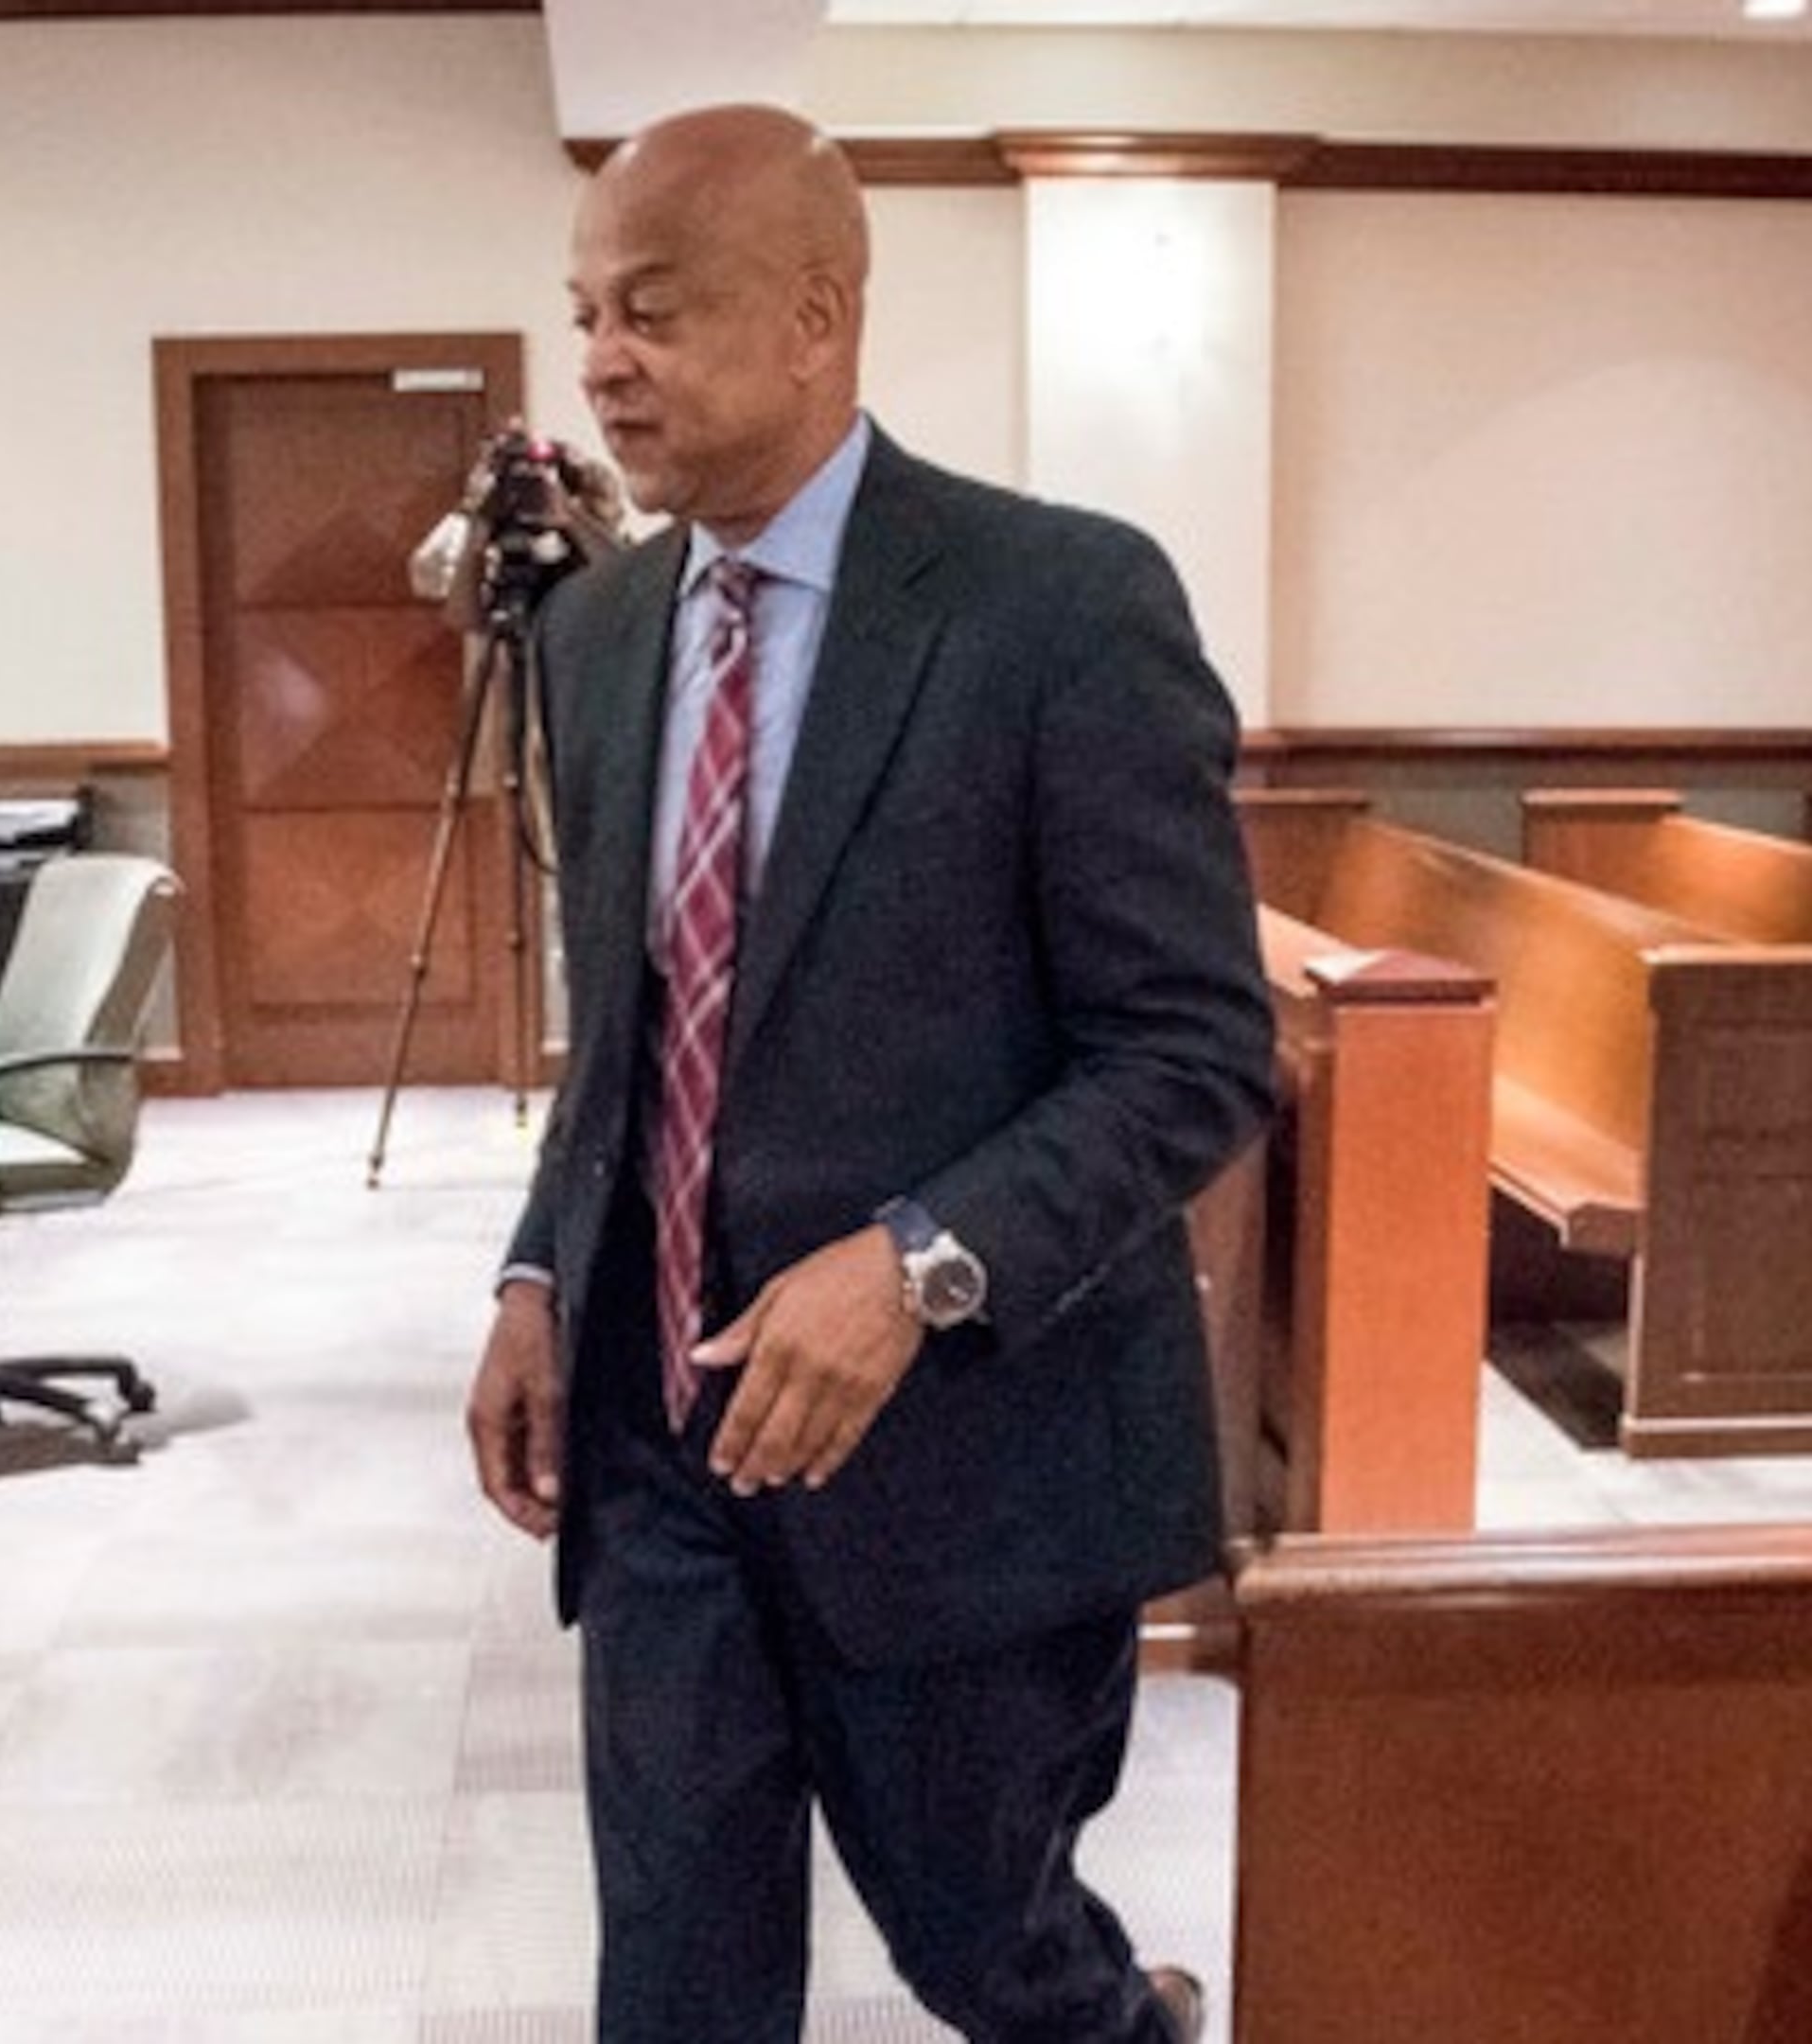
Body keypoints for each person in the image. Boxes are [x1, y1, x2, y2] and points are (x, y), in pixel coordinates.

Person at [463, 105, 1275, 2043]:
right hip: (664, 1457)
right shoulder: (594, 637)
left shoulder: (1059, 607)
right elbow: (637, 1032)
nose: (598, 365)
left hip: (963, 1471)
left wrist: (920, 1263)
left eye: (653, 311)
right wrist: (529, 1274)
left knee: (994, 1960)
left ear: (819, 319)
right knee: (673, 1990)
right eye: (585, 313)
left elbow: (1192, 1052)